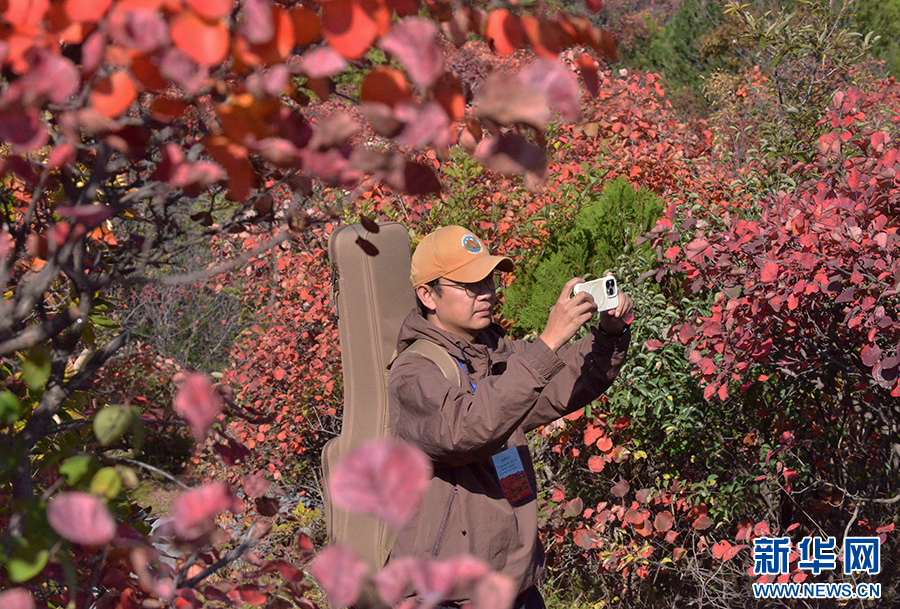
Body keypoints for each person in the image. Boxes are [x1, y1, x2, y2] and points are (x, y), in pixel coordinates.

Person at [387, 225, 632, 609]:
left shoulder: (493, 353)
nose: (486, 293)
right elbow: (466, 429)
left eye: (488, 280)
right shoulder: (414, 371)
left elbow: (563, 378)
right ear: (427, 295)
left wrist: (609, 335)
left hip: (515, 584)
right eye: (470, 285)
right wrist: (548, 342)